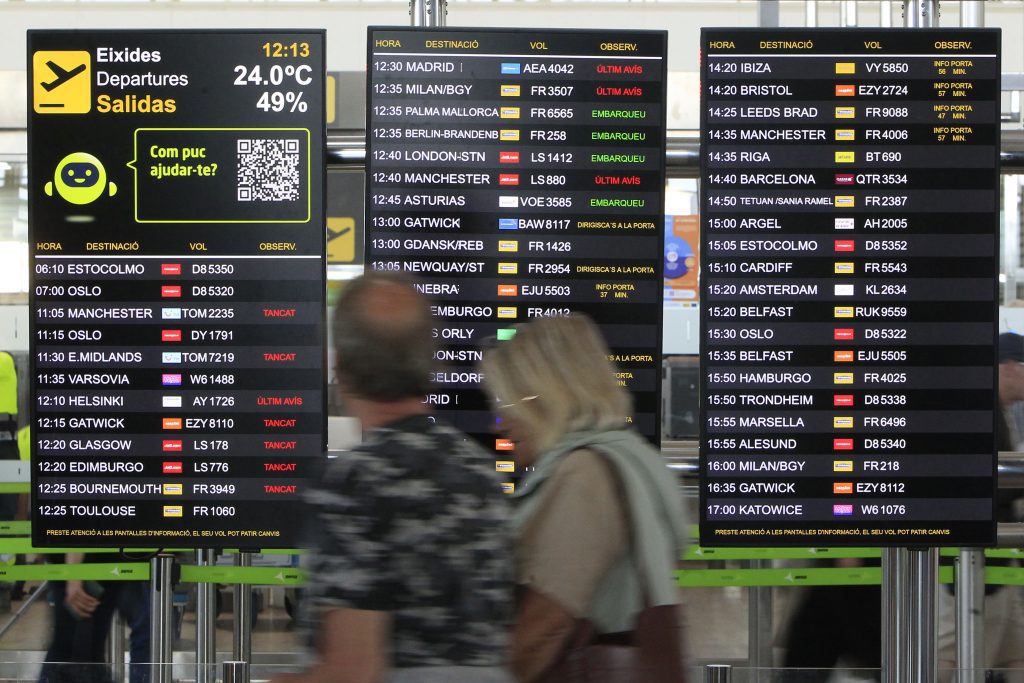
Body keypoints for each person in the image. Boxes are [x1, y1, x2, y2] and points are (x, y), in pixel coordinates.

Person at [282, 272, 513, 683]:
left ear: (341, 368)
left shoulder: (355, 482)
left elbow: (352, 672)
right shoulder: (481, 473)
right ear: (431, 363)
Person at [479, 313, 687, 682]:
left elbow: (546, 625)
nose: (501, 423)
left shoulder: (584, 473)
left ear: (549, 395)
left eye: (509, 402)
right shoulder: (634, 457)